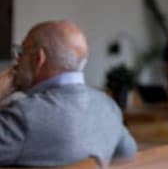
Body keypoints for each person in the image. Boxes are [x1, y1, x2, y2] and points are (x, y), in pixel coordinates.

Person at [0, 21, 137, 167]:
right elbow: (128, 155)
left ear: (38, 59)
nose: (17, 61)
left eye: (21, 52)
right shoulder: (107, 105)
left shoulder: (24, 116)